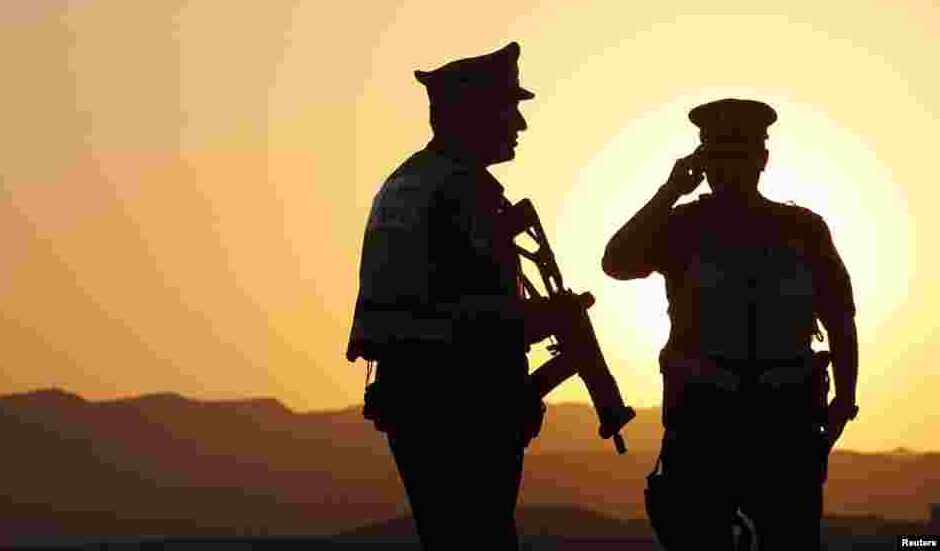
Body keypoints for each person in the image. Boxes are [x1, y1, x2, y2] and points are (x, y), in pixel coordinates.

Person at [602, 98, 859, 550]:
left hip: (785, 425)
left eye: (739, 153)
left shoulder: (803, 229)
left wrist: (845, 401)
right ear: (704, 162)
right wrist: (669, 192)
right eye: (718, 155)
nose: (729, 167)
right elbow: (616, 262)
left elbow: (840, 315)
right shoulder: (683, 226)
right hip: (704, 426)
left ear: (762, 159)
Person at [345, 42, 562, 549]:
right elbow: (485, 320)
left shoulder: (403, 183)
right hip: (462, 406)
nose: (520, 126)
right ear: (476, 114)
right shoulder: (467, 192)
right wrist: (556, 319)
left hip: (412, 397)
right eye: (511, 110)